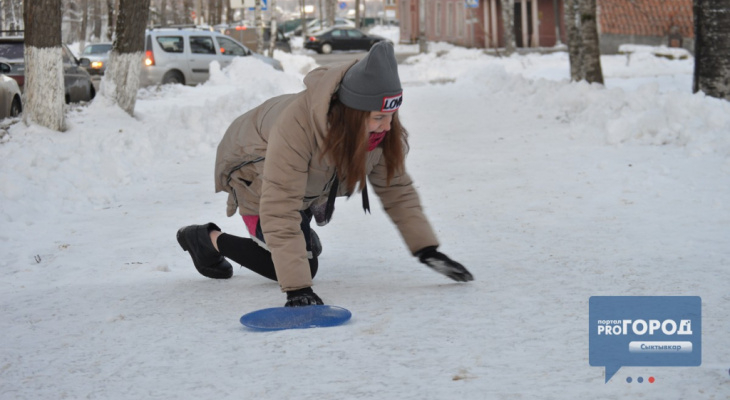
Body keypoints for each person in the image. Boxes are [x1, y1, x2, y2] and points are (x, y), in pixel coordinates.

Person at [176, 42, 473, 307]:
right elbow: (279, 205)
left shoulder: (377, 132)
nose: (387, 125)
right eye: (379, 117)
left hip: (303, 182)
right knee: (295, 265)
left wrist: (426, 249)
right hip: (254, 169)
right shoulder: (298, 127)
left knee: (301, 249)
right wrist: (297, 288)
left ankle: (297, 239)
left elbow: (397, 189)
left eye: (392, 116)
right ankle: (206, 238)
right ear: (353, 113)